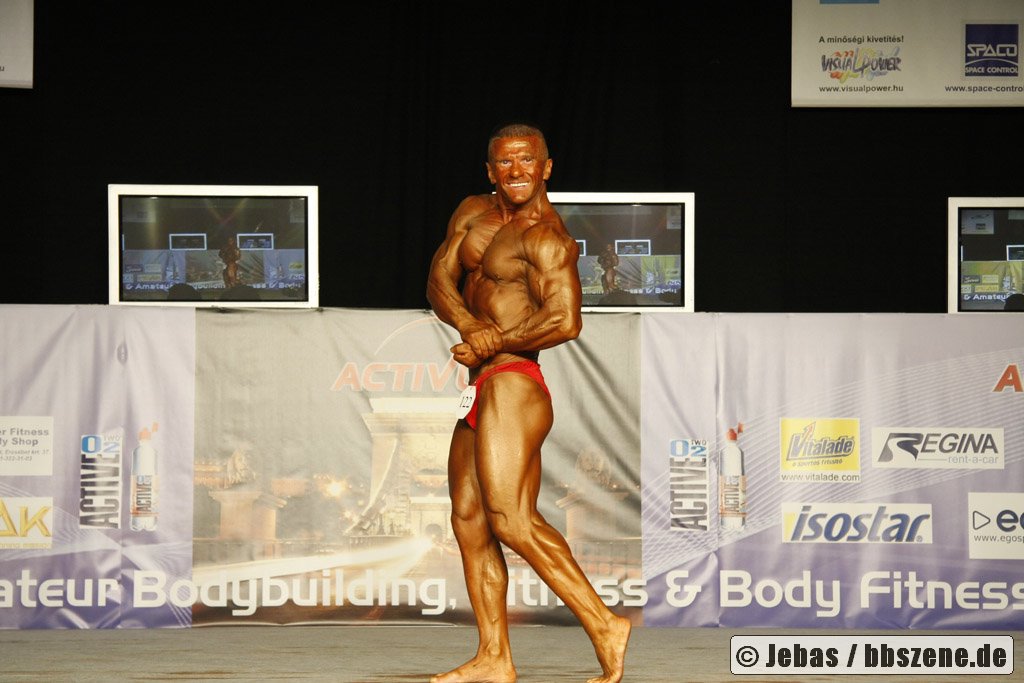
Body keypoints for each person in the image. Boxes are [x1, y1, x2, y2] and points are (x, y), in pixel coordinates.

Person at [426, 124, 630, 683]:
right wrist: (471, 327)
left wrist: (494, 341)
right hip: (480, 381)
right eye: (504, 162)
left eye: (526, 160)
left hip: (514, 380)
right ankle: (494, 657)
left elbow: (565, 320)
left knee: (512, 520)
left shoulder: (547, 238)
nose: (515, 170)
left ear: (546, 167)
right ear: (490, 170)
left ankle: (605, 624)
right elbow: (439, 279)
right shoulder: (472, 212)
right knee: (469, 520)